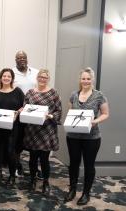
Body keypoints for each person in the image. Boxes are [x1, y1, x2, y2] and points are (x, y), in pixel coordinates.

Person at [64, 67, 109, 205]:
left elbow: (106, 114)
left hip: (92, 138)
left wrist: (95, 121)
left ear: (92, 80)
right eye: (83, 78)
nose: (85, 81)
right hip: (73, 137)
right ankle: (72, 190)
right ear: (80, 80)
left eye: (88, 79)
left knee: (89, 166)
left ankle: (86, 193)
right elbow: (70, 113)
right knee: (73, 164)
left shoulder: (99, 95)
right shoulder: (73, 95)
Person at [23, 69, 62, 195]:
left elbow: (58, 111)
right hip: (32, 131)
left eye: (45, 77)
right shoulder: (30, 92)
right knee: (32, 158)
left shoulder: (53, 93)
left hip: (46, 131)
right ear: (37, 77)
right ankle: (32, 180)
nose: (42, 79)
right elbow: (25, 108)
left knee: (44, 159)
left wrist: (50, 116)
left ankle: (45, 181)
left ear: (48, 79)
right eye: (40, 76)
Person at [0, 68, 24, 187]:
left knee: (10, 151)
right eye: (4, 76)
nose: (6, 78)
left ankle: (12, 175)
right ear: (1, 77)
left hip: (12, 127)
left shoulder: (18, 91)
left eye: (9, 76)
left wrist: (19, 111)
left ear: (12, 78)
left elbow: (24, 106)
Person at [12, 50, 39, 177]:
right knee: (18, 141)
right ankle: (18, 166)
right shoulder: (12, 73)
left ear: (27, 59)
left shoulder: (35, 72)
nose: (22, 59)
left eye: (24, 57)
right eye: (19, 58)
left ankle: (34, 167)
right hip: (19, 111)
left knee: (35, 141)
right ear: (15, 60)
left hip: (34, 110)